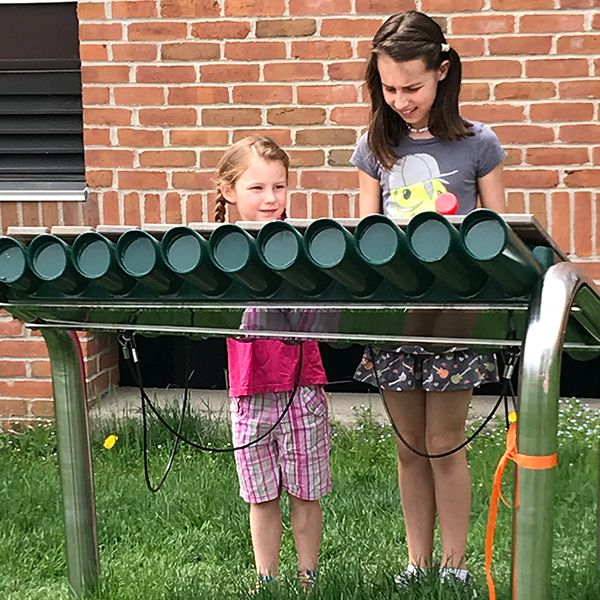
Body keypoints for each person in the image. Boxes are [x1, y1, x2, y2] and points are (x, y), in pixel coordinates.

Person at [351, 10, 507, 589]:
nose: (400, 99)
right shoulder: (374, 146)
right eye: (389, 88)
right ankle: (416, 563)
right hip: (395, 314)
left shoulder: (477, 145)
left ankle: (456, 564)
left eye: (412, 86)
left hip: (454, 316)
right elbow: (368, 236)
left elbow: (498, 237)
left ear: (443, 72)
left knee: (444, 442)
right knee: (410, 446)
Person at [214, 136, 331, 593]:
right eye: (257, 188)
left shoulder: (306, 243)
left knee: (306, 491)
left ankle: (309, 580)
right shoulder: (218, 250)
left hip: (303, 386)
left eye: (278, 187)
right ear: (228, 191)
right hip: (249, 390)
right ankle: (267, 581)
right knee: (261, 496)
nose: (270, 199)